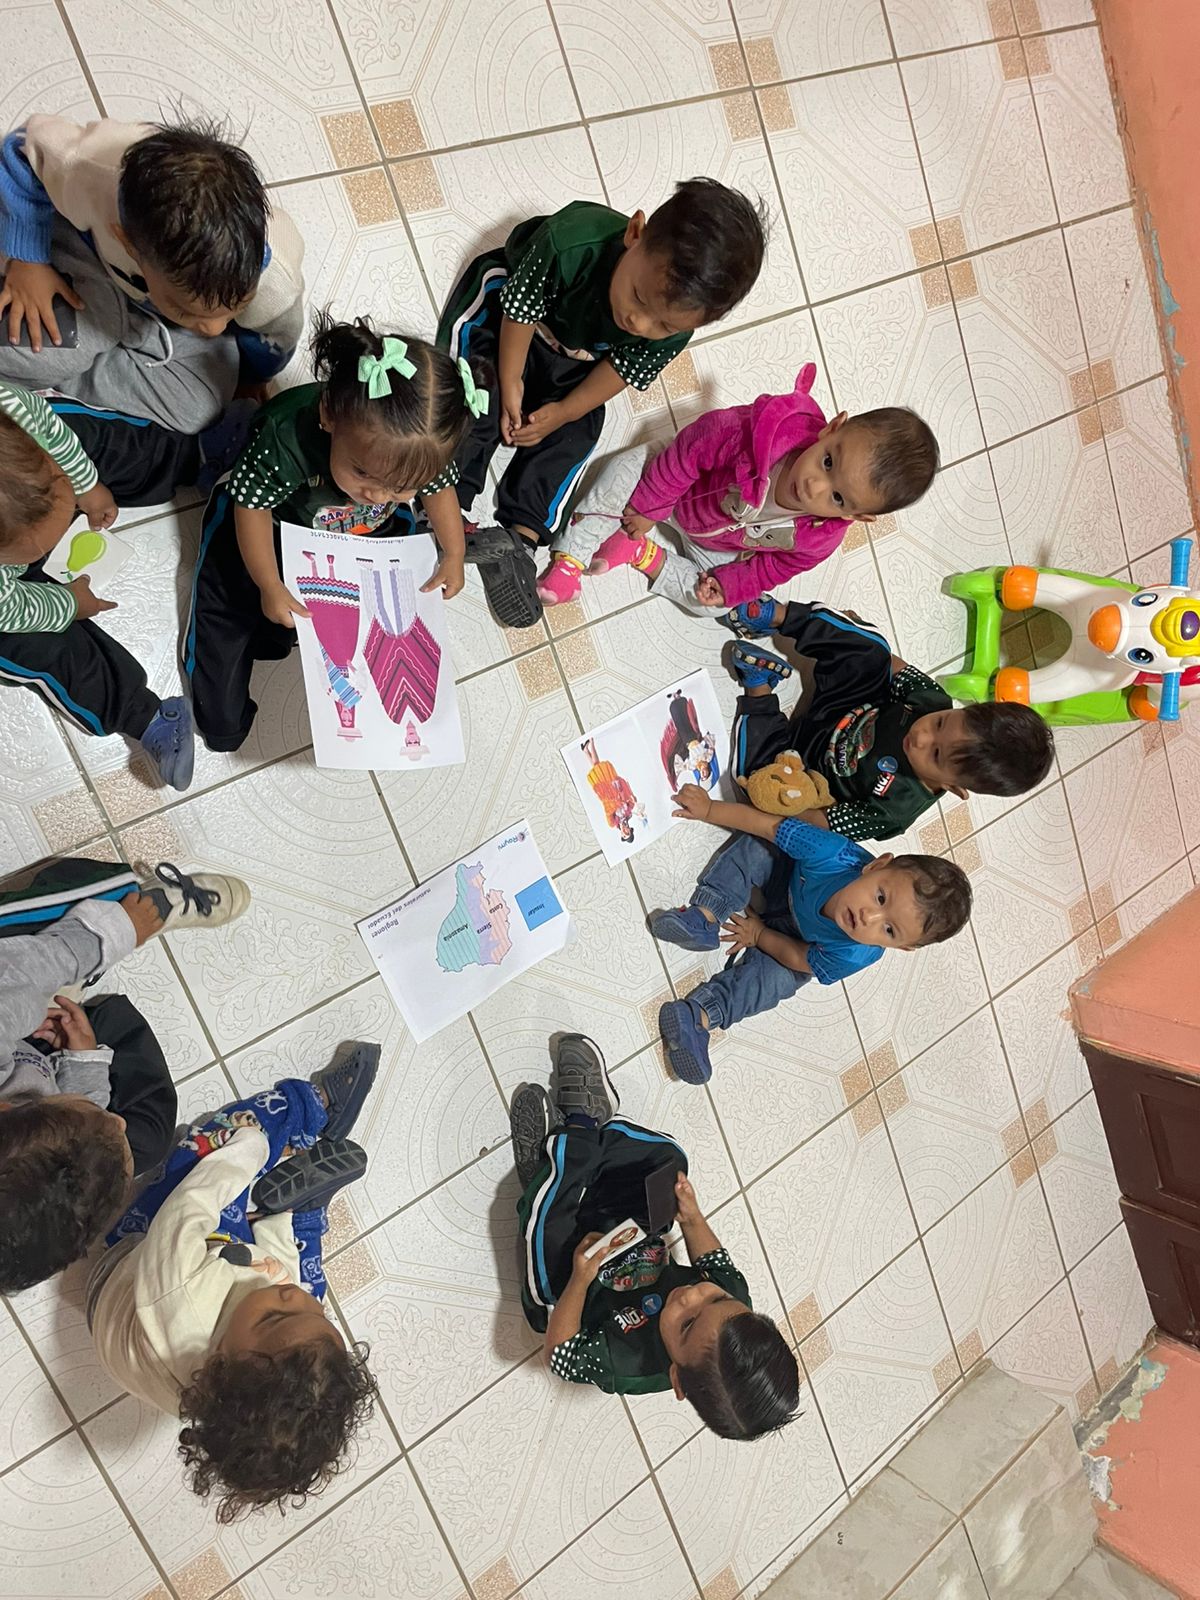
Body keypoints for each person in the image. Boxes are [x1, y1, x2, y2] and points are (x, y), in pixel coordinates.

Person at [437, 178, 768, 628]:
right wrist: (512, 379)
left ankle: (520, 539)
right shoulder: (571, 241)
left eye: (662, 325)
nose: (639, 323)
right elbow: (519, 309)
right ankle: (447, 501)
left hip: (576, 360)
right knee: (474, 393)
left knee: (582, 427)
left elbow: (617, 372)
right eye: (638, 298)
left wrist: (563, 412)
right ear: (635, 233)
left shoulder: (673, 329)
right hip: (509, 323)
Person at [87, 1047, 381, 1522]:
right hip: (218, 1293)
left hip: (131, 1265)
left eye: (277, 1317)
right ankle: (293, 1211)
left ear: (220, 1363)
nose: (292, 1300)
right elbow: (286, 1293)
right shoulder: (262, 1351)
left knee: (214, 1153)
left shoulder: (180, 1299)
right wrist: (283, 1240)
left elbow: (189, 1205)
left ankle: (310, 1109)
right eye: (321, 1320)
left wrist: (250, 1150)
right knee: (305, 1281)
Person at [186, 312, 489, 752]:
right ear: (329, 415)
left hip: (358, 538)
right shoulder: (284, 434)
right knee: (221, 699)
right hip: (268, 525)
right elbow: (251, 507)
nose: (377, 493)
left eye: (401, 486)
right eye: (363, 472)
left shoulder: (422, 453)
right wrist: (269, 583)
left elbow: (440, 490)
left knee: (336, 634)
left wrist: (454, 551)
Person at [509, 1035, 798, 1437]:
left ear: (677, 1377)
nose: (691, 1296)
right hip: (631, 1236)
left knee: (545, 1242)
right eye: (715, 1298)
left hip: (573, 1282)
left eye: (687, 1324)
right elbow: (713, 1260)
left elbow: (559, 1356)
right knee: (670, 1162)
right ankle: (572, 1150)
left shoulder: (631, 1363)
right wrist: (691, 1218)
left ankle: (572, 1139)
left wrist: (580, 1279)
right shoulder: (734, 1307)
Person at [0, 855, 252, 1294]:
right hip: (27, 1051)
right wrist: (82, 1064)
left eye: (102, 1115)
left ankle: (145, 905)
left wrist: (116, 934)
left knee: (96, 904)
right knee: (138, 1149)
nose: (117, 1120)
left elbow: (15, 972)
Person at [0, 380, 252, 789]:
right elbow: (12, 608)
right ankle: (143, 714)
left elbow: (53, 432)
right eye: (37, 547)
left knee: (85, 433)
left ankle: (194, 455)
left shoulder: (11, 408)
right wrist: (68, 604)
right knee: (23, 644)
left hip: (25, 462)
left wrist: (85, 484)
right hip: (6, 597)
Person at [538, 367, 939, 613]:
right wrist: (651, 505)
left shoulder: (820, 540)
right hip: (677, 483)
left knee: (713, 606)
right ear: (833, 428)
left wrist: (729, 586)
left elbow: (772, 569)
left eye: (837, 498)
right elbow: (692, 449)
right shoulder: (765, 433)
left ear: (855, 516)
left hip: (714, 542)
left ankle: (640, 553)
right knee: (623, 469)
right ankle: (570, 559)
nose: (813, 485)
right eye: (828, 461)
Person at [0, 113, 305, 432]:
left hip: (150, 311)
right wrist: (27, 260)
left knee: (198, 411)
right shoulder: (85, 167)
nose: (215, 329)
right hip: (90, 261)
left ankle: (80, 362)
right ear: (127, 243)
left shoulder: (275, 283)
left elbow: (276, 338)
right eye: (185, 310)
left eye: (236, 309)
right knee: (29, 354)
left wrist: (255, 377)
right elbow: (21, 147)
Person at [651, 787, 973, 1083]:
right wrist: (709, 809)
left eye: (888, 930)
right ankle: (705, 915)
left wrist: (760, 936)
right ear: (876, 866)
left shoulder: (856, 954)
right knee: (758, 846)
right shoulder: (829, 852)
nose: (869, 917)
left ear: (901, 947)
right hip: (783, 880)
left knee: (778, 982)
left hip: (793, 943)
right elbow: (767, 825)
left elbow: (800, 958)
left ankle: (699, 1016)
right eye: (880, 897)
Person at [721, 598, 1055, 842]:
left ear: (954, 787)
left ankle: (759, 685)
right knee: (874, 648)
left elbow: (823, 822)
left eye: (936, 754)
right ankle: (778, 615)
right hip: (845, 702)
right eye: (940, 723)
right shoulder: (933, 700)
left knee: (760, 786)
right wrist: (852, 634)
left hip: (804, 769)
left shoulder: (896, 809)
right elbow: (892, 665)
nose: (922, 737)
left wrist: (783, 805)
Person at [582, 737, 643, 846]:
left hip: (606, 792)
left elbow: (608, 811)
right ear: (630, 830)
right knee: (598, 766)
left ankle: (590, 745)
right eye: (627, 833)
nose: (624, 832)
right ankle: (587, 749)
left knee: (597, 767)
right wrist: (633, 799)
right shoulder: (629, 814)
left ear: (621, 835)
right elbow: (631, 801)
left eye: (623, 835)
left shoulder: (613, 823)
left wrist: (617, 803)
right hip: (615, 786)